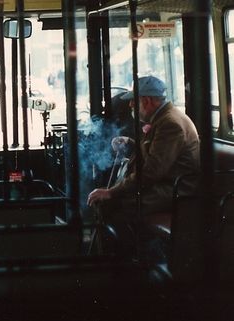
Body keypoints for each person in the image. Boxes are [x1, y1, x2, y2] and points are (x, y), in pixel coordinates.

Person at [86, 75, 200, 249]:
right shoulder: (162, 118)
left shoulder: (170, 124)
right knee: (111, 202)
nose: (131, 105)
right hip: (164, 184)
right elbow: (155, 155)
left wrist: (112, 192)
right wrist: (130, 144)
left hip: (174, 190)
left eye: (134, 101)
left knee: (110, 205)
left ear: (146, 101)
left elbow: (152, 172)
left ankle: (127, 265)